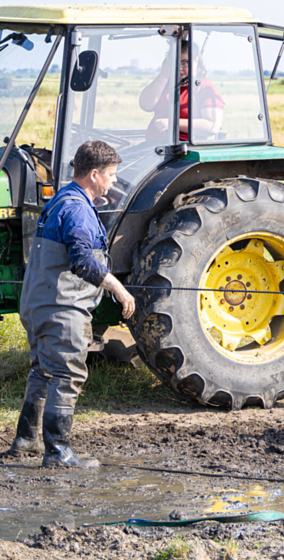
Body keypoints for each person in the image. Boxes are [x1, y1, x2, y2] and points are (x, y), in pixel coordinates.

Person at [8, 141, 136, 468]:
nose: (113, 181)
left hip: (38, 302)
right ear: (94, 175)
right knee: (67, 375)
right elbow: (82, 263)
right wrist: (119, 289)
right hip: (62, 306)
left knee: (43, 371)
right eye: (110, 175)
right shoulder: (78, 210)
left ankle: (26, 441)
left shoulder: (62, 199)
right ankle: (59, 452)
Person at [139, 39, 224, 142]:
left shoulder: (205, 88)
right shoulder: (165, 84)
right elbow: (146, 105)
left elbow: (212, 126)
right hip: (154, 147)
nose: (179, 68)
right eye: (175, 63)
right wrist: (164, 75)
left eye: (184, 63)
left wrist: (172, 123)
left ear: (196, 60)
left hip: (184, 149)